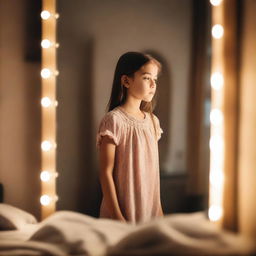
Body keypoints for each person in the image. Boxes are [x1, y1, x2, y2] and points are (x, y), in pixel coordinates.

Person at [96, 51, 164, 225]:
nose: (153, 85)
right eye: (147, 78)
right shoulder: (113, 121)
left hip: (149, 215)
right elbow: (105, 173)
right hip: (120, 217)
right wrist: (119, 219)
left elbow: (152, 177)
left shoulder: (153, 122)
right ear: (126, 81)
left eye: (155, 80)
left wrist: (159, 216)